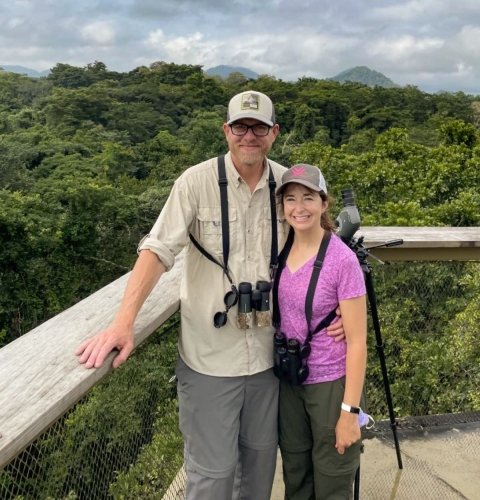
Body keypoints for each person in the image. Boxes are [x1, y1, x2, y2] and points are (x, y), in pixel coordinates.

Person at [75, 91, 345, 500]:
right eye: (240, 126)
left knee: (258, 472)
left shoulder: (290, 185)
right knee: (211, 476)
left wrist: (339, 307)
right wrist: (122, 323)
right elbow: (157, 249)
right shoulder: (195, 182)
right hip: (208, 359)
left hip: (270, 359)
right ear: (226, 131)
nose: (249, 136)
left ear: (274, 133)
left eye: (258, 127)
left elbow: (320, 247)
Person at [274, 164, 367, 500]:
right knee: (296, 477)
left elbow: (357, 342)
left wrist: (349, 414)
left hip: (331, 384)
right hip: (290, 382)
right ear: (282, 206)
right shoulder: (281, 249)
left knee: (332, 481)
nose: (299, 208)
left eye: (308, 198)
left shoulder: (342, 261)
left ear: (324, 204)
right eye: (291, 199)